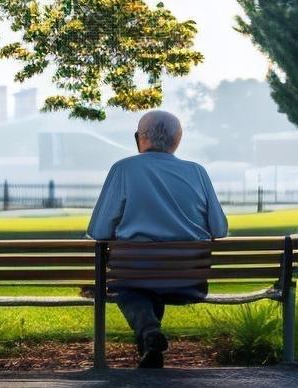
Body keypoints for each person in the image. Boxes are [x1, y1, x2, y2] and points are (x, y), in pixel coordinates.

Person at [87, 110, 228, 368]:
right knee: (143, 286)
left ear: (139, 138)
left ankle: (149, 330)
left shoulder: (123, 169)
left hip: (134, 276)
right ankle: (150, 344)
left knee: (130, 289)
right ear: (178, 140)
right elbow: (219, 229)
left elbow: (99, 231)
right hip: (187, 281)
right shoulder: (197, 172)